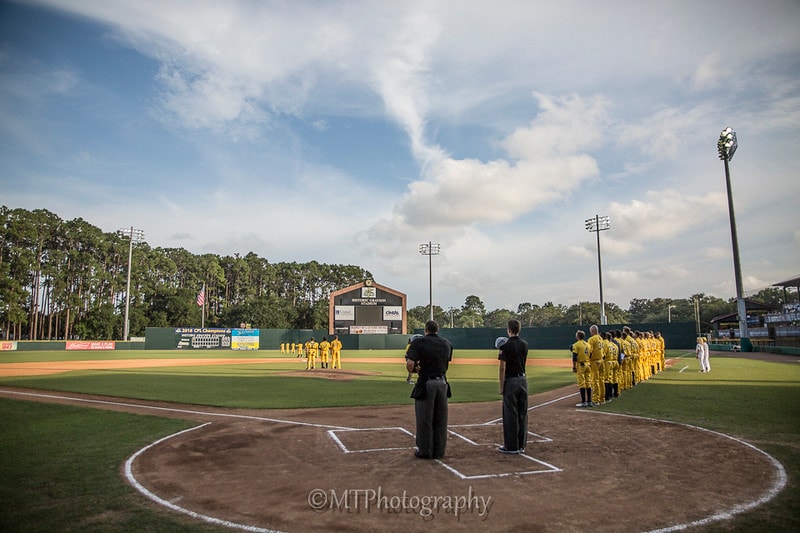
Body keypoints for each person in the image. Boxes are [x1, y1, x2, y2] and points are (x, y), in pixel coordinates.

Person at [405, 320, 452, 459]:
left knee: (424, 419)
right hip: (443, 382)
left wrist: (414, 370)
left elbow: (410, 363)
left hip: (426, 382)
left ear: (426, 329)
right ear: (437, 329)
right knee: (441, 419)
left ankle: (425, 450)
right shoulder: (446, 343)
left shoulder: (418, 342)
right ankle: (439, 451)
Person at [497, 319, 528, 454]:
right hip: (523, 380)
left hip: (510, 381)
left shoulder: (506, 346)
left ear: (509, 330)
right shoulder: (525, 344)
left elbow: (502, 368)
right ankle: (521, 445)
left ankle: (511, 446)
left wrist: (501, 386)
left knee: (510, 414)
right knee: (523, 413)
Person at [572, 330, 592, 407]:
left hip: (581, 365)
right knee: (588, 382)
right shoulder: (588, 344)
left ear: (578, 336)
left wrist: (574, 367)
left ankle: (584, 402)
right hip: (588, 364)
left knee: (582, 383)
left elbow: (574, 357)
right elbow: (590, 355)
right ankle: (589, 401)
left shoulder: (576, 345)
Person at [587, 325, 605, 404]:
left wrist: (588, 360)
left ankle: (595, 399)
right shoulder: (601, 338)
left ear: (592, 331)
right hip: (601, 360)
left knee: (595, 380)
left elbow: (589, 351)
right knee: (601, 380)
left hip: (594, 361)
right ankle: (602, 398)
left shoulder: (592, 339)